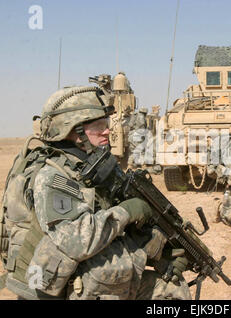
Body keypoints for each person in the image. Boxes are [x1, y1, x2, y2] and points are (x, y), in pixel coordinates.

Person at [0, 86, 191, 300]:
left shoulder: (82, 167)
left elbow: (107, 227)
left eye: (108, 124)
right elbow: (73, 240)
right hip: (55, 291)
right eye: (99, 125)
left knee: (171, 288)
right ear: (74, 130)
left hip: (77, 279)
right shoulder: (54, 175)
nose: (107, 131)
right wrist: (126, 212)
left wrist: (162, 253)